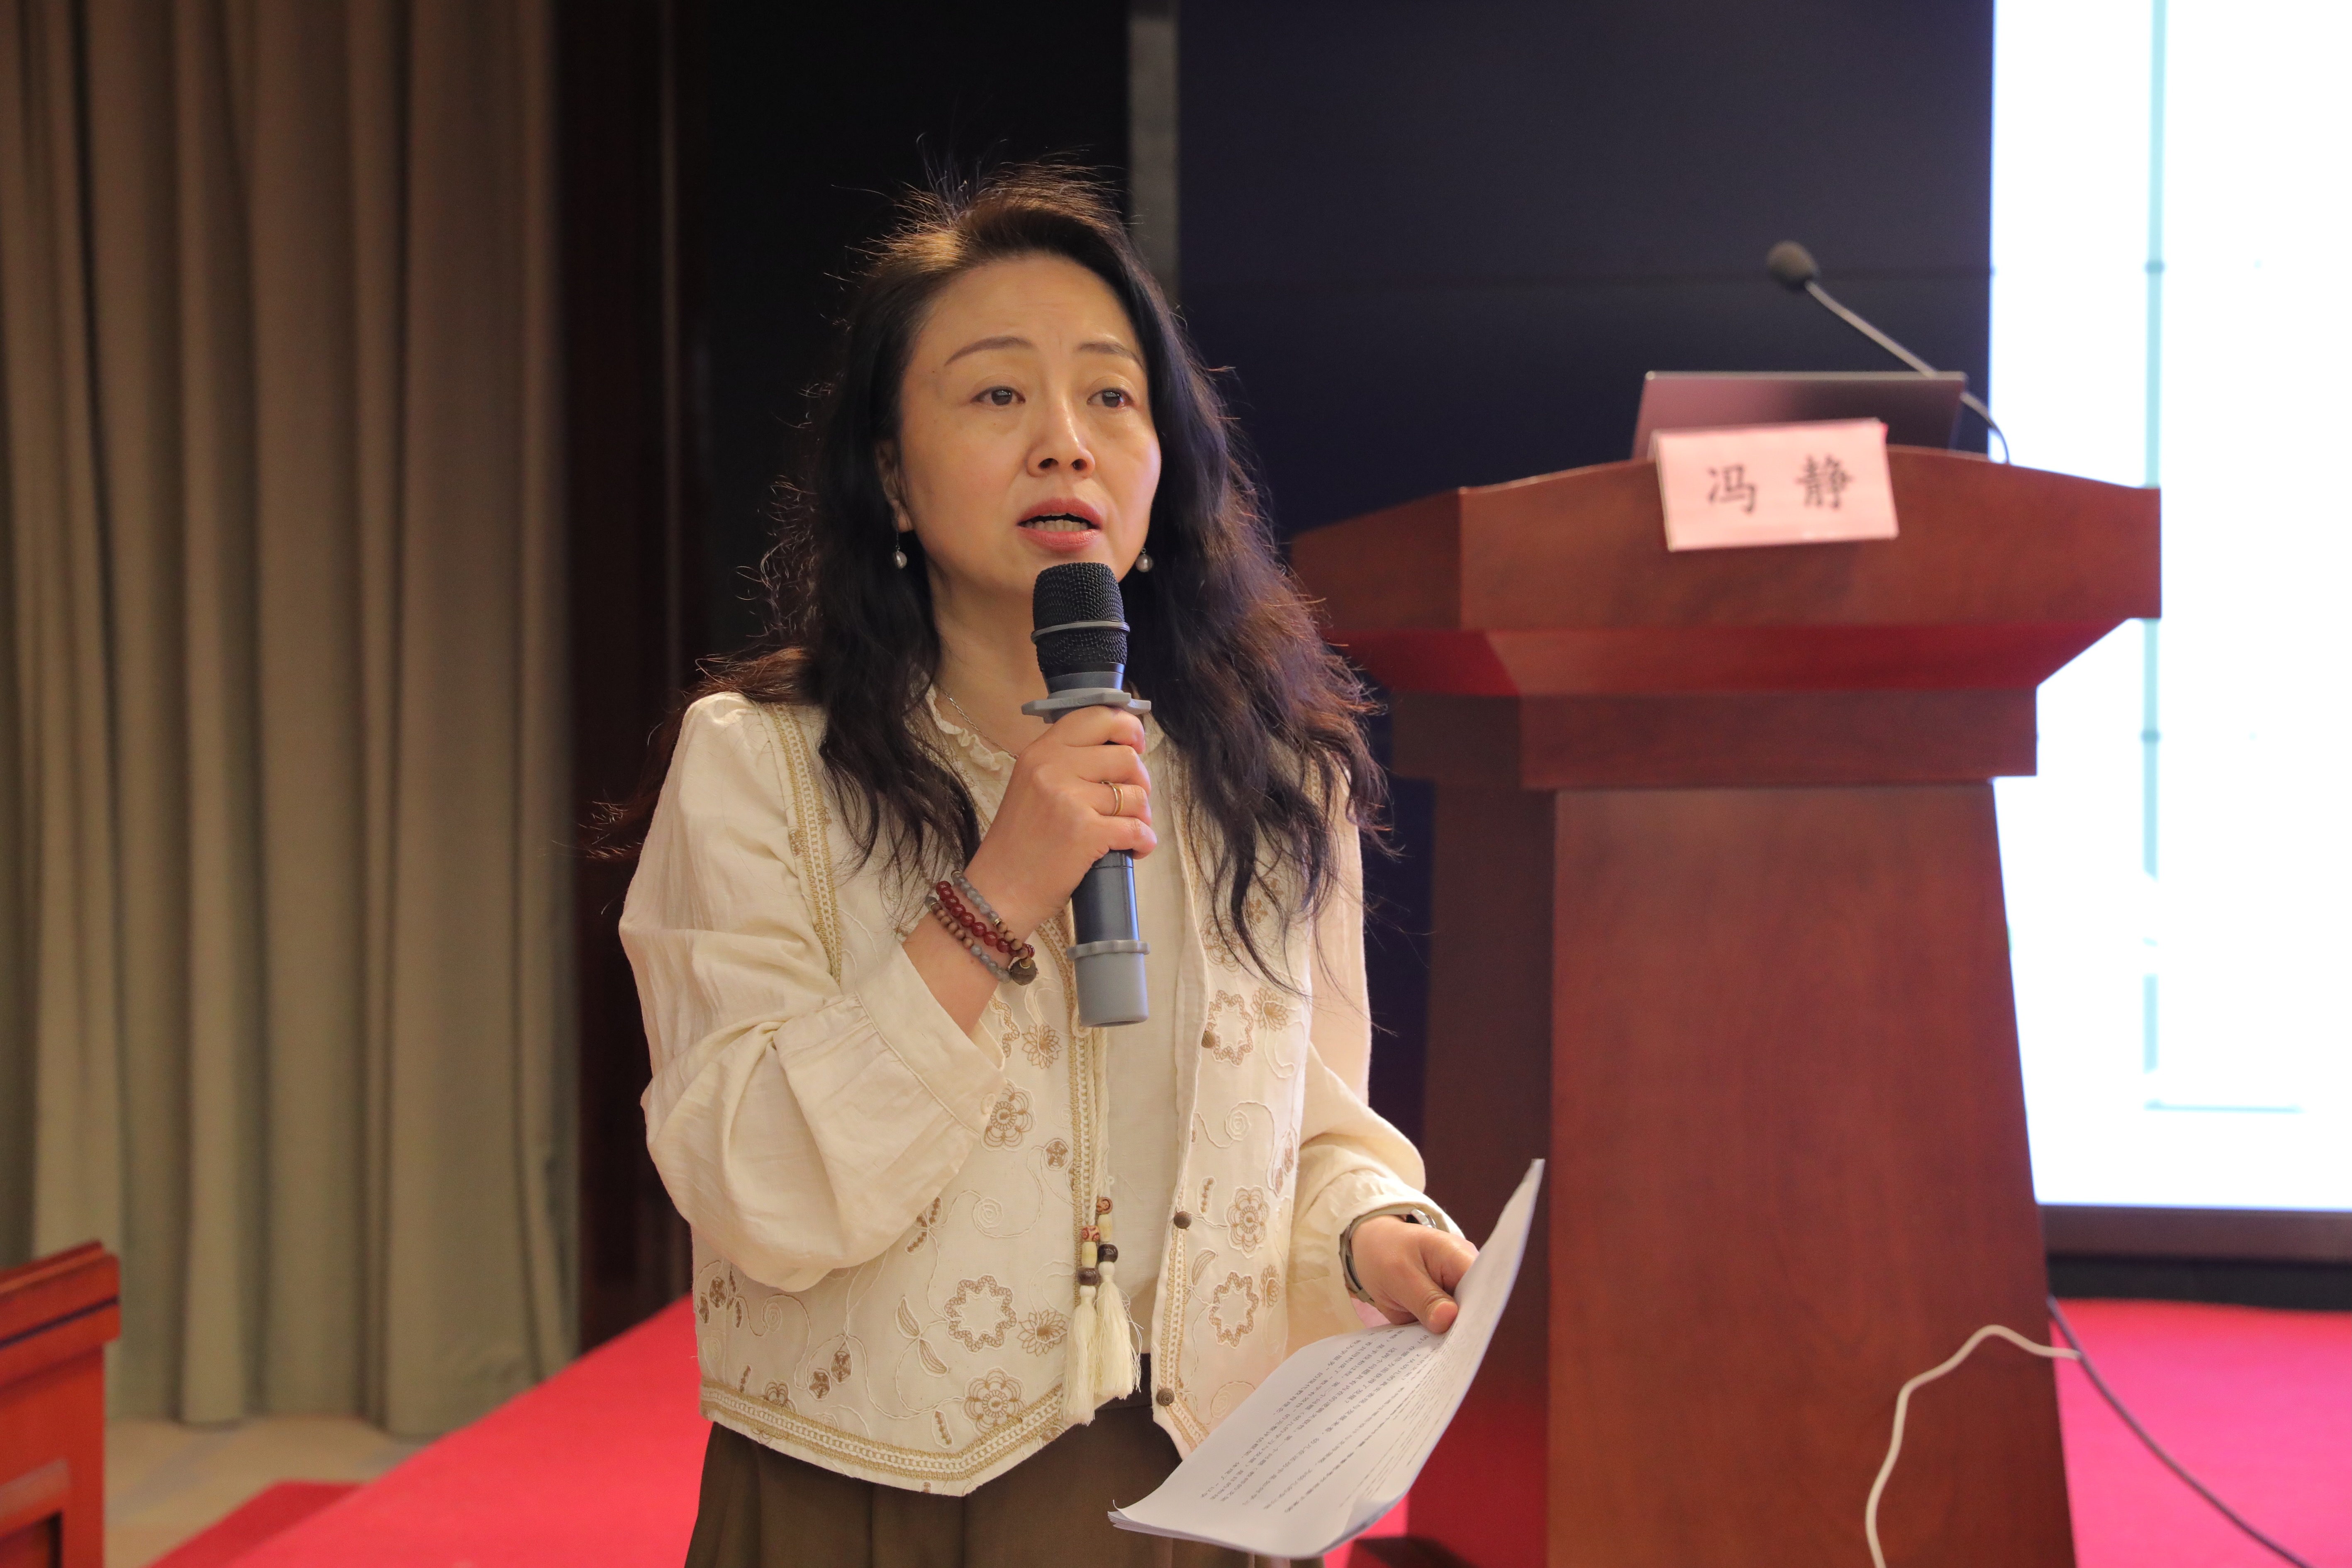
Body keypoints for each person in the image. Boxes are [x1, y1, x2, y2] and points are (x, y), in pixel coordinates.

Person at [617, 166, 1475, 1568]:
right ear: (890, 475)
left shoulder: (1275, 776)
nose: (1066, 444)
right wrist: (995, 892)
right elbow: (751, 1181)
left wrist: (1368, 1232)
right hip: (871, 1502)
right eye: (999, 393)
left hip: (1201, 1492)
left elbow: (1313, 1133)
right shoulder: (758, 764)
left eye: (1112, 397)